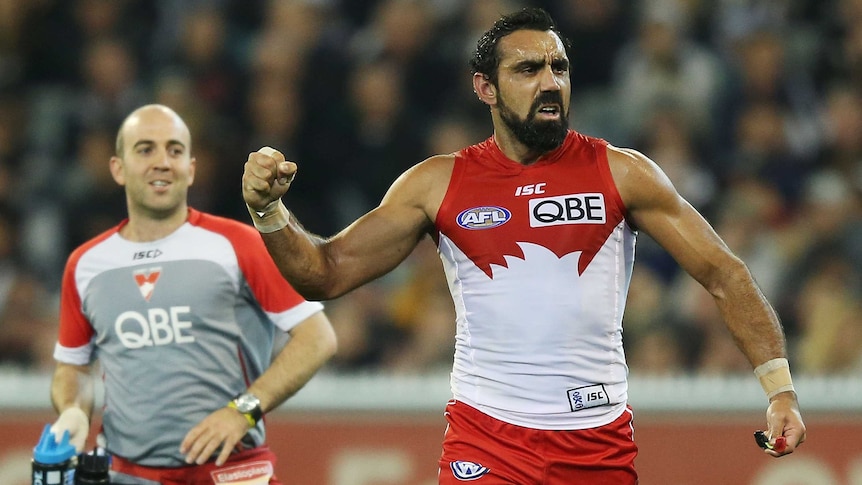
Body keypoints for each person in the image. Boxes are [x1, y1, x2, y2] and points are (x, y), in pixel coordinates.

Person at [241, 7, 806, 484]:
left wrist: (779, 389)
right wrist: (269, 213)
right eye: (529, 69)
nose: (550, 83)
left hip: (597, 444)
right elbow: (326, 273)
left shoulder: (623, 173)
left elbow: (724, 274)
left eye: (559, 68)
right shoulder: (437, 183)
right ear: (486, 87)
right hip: (485, 440)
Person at [49, 104, 337, 485]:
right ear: (118, 168)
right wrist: (73, 410)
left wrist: (242, 411)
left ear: (192, 168)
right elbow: (73, 367)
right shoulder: (85, 264)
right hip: (125, 474)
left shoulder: (239, 244)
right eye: (145, 149)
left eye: (175, 150)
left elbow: (317, 338)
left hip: (230, 471)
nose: (162, 162)